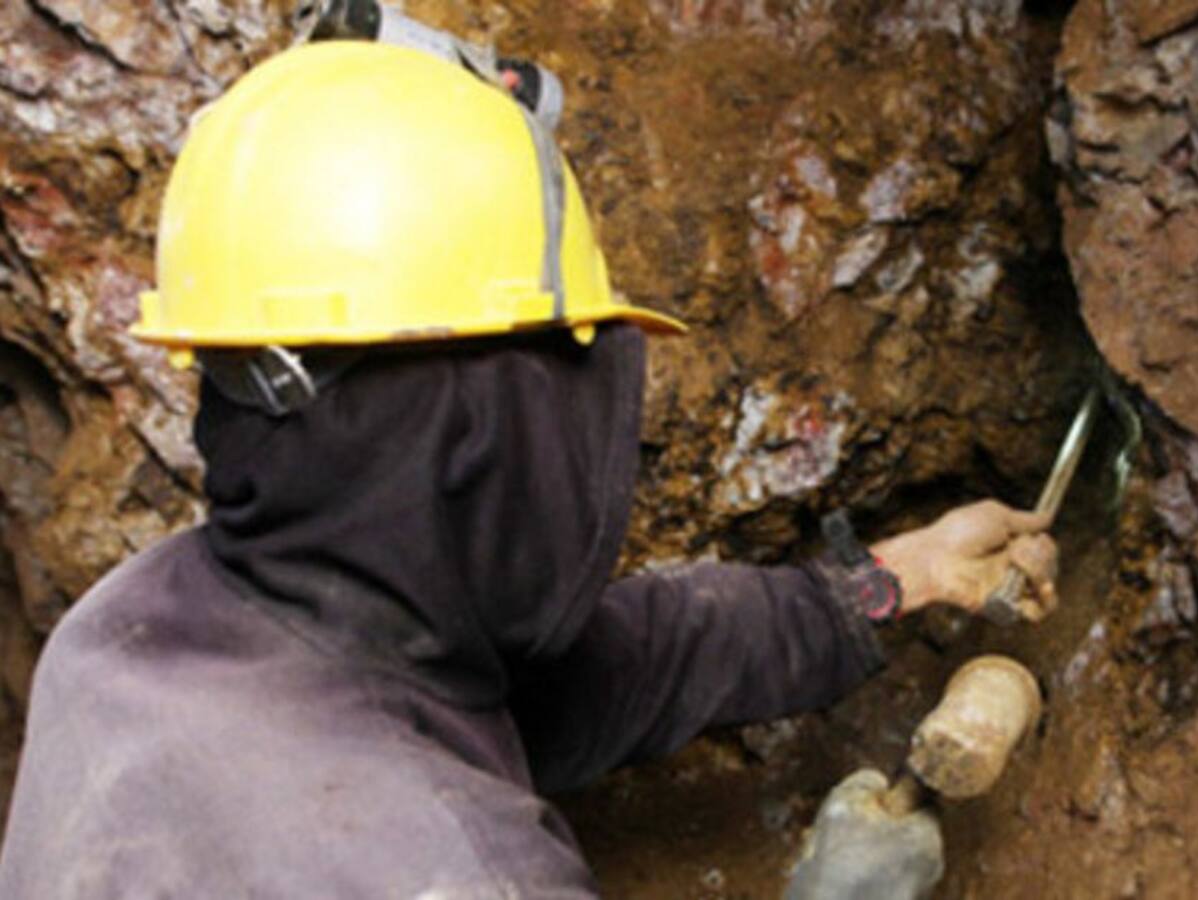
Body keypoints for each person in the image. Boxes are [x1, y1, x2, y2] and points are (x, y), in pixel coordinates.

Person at [0, 34, 1058, 900]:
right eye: (576, 360)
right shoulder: (458, 871)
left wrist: (883, 586)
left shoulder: (126, 635)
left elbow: (545, 691)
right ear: (492, 425)